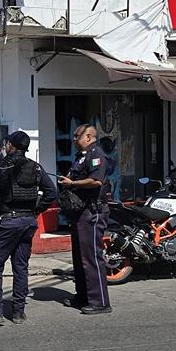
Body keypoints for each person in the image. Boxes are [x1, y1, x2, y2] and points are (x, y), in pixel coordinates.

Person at [0, 131, 57, 326]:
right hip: (28, 222)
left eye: (7, 143)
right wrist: (36, 209)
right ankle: (18, 312)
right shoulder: (36, 168)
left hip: (7, 222)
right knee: (21, 267)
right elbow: (51, 192)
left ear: (11, 146)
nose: (5, 146)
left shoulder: (1, 166)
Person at [58, 124, 112, 315]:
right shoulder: (81, 157)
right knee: (80, 257)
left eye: (77, 135)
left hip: (93, 212)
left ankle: (100, 302)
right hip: (79, 212)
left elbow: (96, 181)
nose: (74, 139)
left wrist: (72, 183)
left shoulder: (96, 155)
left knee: (92, 258)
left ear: (89, 137)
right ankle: (83, 296)